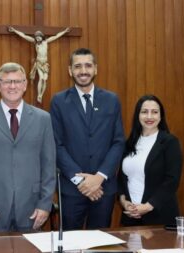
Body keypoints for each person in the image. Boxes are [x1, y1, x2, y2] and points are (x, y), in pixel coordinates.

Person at [0, 62, 56, 232]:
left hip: (32, 207)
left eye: (17, 81)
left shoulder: (43, 119)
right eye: (6, 82)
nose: (12, 86)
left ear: (25, 85)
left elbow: (49, 166)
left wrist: (45, 204)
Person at [50, 48, 125, 230]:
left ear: (95, 69)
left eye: (88, 66)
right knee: (69, 244)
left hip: (103, 188)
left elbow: (118, 141)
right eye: (78, 66)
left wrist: (99, 177)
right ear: (70, 71)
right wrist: (82, 181)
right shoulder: (59, 101)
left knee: (100, 245)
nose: (83, 71)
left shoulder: (111, 100)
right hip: (71, 189)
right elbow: (56, 145)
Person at [118, 95, 183, 226]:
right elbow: (121, 178)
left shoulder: (169, 142)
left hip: (159, 217)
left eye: (154, 112)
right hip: (130, 217)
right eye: (144, 112)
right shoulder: (129, 143)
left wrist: (147, 207)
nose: (149, 117)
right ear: (138, 115)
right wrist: (124, 202)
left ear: (161, 116)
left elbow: (172, 180)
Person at [8, 26, 71, 103]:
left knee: (45, 80)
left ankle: (41, 94)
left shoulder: (46, 42)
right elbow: (24, 36)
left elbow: (56, 36)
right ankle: (39, 95)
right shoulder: (35, 43)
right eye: (36, 37)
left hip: (45, 64)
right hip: (39, 64)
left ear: (42, 37)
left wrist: (64, 31)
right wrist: (14, 30)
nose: (38, 39)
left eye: (39, 37)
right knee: (41, 78)